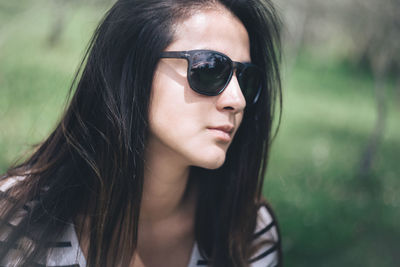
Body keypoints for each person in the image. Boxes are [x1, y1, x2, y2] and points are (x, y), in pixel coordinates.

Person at [0, 0, 282, 266]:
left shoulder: (248, 232)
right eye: (209, 68)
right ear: (132, 69)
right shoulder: (17, 218)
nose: (237, 99)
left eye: (245, 78)